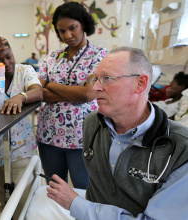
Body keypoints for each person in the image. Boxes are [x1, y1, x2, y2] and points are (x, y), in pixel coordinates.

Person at [28, 47, 188, 220]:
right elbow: (97, 195)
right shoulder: (92, 124)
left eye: (107, 79)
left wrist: (75, 204)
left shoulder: (180, 149)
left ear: (140, 83)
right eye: (96, 79)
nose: (95, 87)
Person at [36, 1, 108, 189]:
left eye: (72, 28)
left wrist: (50, 85)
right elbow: (38, 92)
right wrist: (74, 92)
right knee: (54, 189)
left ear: (83, 24)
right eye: (61, 31)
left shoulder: (99, 56)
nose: (67, 35)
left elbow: (88, 94)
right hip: (49, 134)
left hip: (83, 137)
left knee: (83, 191)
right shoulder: (52, 57)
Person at [0, 36, 43, 219]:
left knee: (23, 202)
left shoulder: (24, 71)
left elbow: (37, 91)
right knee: (2, 203)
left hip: (21, 148)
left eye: (8, 56)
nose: (6, 63)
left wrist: (21, 96)